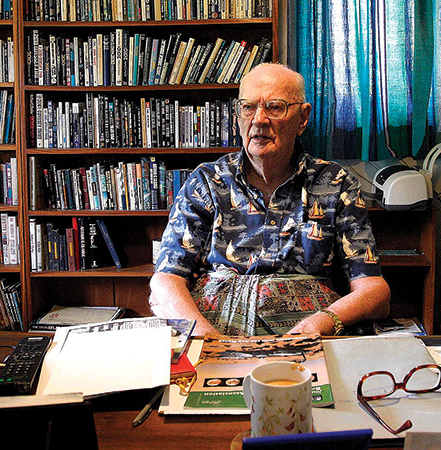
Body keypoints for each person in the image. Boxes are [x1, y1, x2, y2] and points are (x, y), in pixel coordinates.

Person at [149, 63, 390, 336]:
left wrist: (322, 323)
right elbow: (166, 280)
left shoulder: (336, 183)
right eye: (248, 107)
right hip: (212, 331)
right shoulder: (205, 181)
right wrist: (205, 337)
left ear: (303, 118)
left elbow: (374, 289)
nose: (259, 119)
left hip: (308, 337)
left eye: (275, 107)